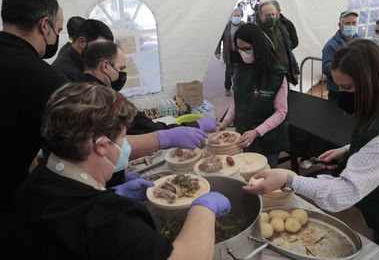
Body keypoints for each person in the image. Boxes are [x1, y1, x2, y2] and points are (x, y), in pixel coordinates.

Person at [245, 39, 379, 260]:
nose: (340, 93)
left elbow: (341, 195)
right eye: (336, 86)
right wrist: (349, 150)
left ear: (370, 83)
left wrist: (288, 179)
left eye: (347, 87)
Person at [4, 83, 231, 260]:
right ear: (102, 145)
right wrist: (204, 208)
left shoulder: (34, 182)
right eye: (122, 137)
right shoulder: (110, 220)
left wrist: (112, 194)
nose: (126, 145)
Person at [81, 40, 217, 186]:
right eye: (121, 68)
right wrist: (193, 126)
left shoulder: (78, 88)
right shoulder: (104, 99)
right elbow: (149, 129)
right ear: (105, 65)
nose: (123, 75)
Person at [0, 0, 66, 221]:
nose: (56, 38)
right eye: (58, 31)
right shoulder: (45, 79)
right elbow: (77, 149)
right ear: (45, 26)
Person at [218, 23, 289, 168]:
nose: (243, 53)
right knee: (245, 172)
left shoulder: (276, 74)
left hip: (268, 138)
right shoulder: (241, 69)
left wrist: (257, 131)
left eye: (247, 49)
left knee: (264, 176)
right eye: (239, 49)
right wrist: (225, 122)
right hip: (244, 134)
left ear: (258, 46)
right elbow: (238, 99)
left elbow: (281, 112)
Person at [256, 1, 300, 85]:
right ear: (260, 16)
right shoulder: (256, 32)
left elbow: (288, 50)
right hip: (269, 78)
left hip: (285, 74)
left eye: (273, 14)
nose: (271, 17)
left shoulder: (281, 27)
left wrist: (295, 70)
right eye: (268, 15)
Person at [322, 9, 359, 101]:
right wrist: (347, 70)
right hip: (338, 92)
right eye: (347, 23)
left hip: (357, 90)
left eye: (354, 23)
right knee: (336, 115)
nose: (351, 26)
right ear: (339, 25)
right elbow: (327, 68)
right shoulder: (331, 45)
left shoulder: (360, 41)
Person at [215, 8, 245, 96]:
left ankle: (237, 88)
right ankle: (227, 88)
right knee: (229, 72)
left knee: (239, 72)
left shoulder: (244, 25)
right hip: (229, 52)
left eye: (238, 15)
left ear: (241, 16)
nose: (236, 17)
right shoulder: (226, 26)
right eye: (234, 15)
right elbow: (219, 39)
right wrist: (217, 51)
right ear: (231, 16)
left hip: (240, 53)